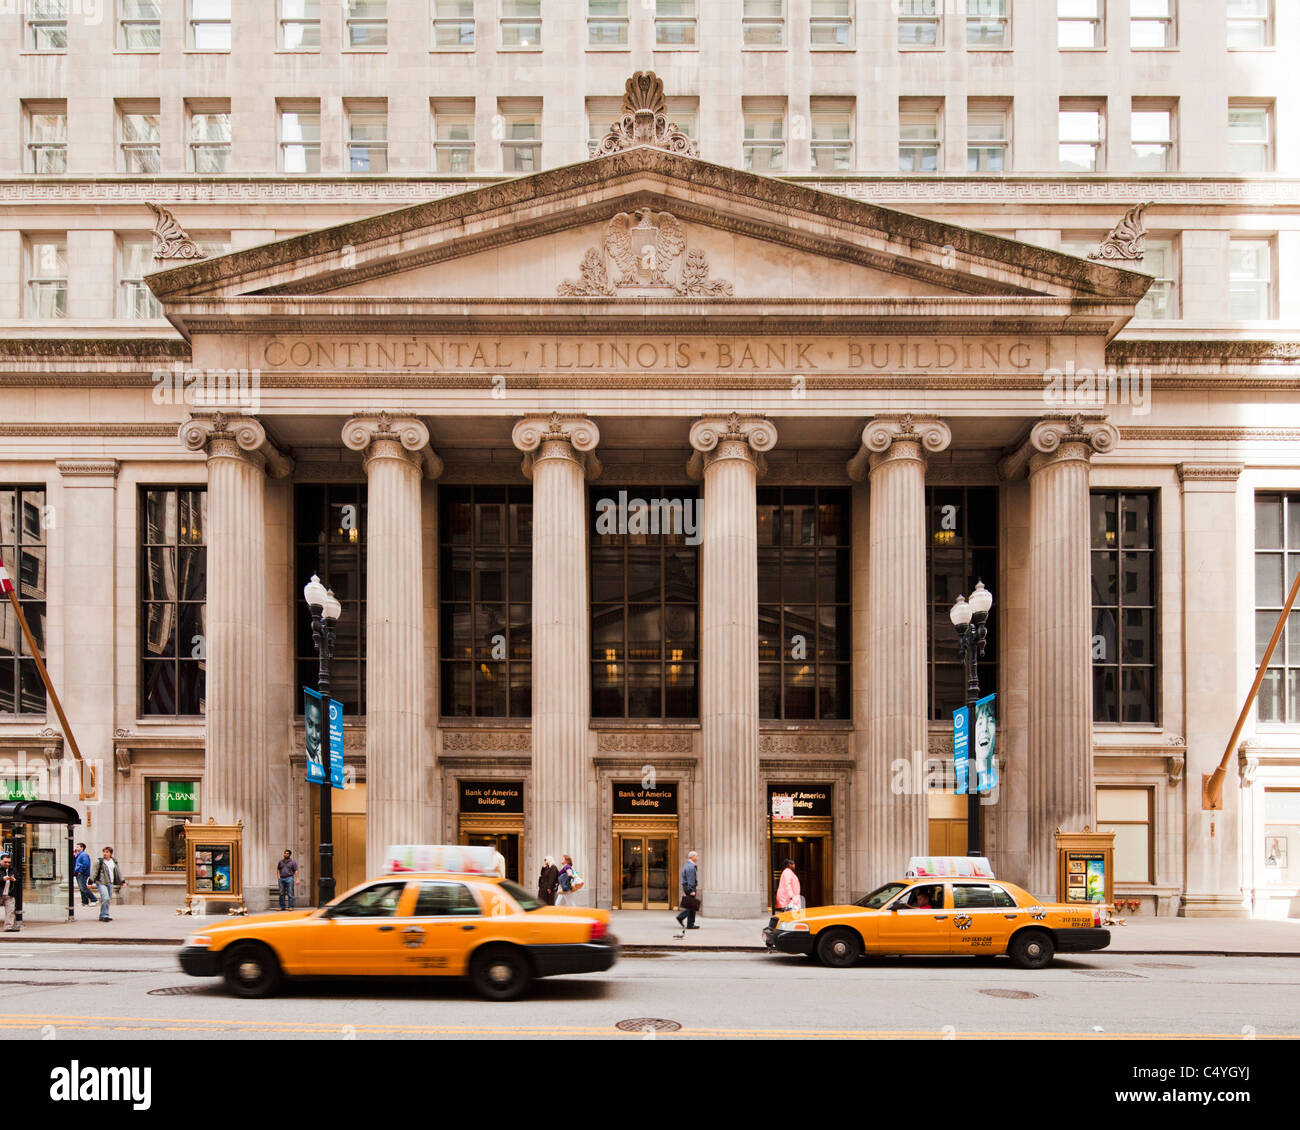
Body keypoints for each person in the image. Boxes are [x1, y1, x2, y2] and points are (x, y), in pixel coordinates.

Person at [89, 846, 124, 922]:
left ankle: (104, 915)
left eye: (107, 852)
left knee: (107, 899)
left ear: (111, 853)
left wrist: (123, 881)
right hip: (101, 882)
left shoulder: (114, 861)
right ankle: (104, 915)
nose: (105, 853)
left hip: (110, 883)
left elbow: (118, 872)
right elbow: (94, 872)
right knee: (105, 898)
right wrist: (90, 882)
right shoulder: (99, 861)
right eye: (104, 852)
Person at [676, 850, 700, 930]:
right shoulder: (691, 866)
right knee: (692, 906)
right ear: (692, 857)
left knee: (691, 905)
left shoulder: (688, 865)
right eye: (696, 856)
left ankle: (690, 924)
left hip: (687, 887)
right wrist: (692, 890)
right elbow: (691, 880)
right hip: (690, 887)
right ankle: (681, 917)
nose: (697, 857)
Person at [74, 842, 96, 907]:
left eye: (78, 847)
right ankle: (84, 902)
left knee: (83, 888)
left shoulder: (84, 855)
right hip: (79, 873)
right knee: (81, 888)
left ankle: (94, 899)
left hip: (82, 873)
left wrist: (81, 871)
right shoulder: (79, 855)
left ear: (82, 848)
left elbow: (86, 864)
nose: (76, 848)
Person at [0, 853, 19, 932]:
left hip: (9, 893)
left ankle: (8, 927)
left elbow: (18, 879)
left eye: (9, 862)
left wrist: (15, 880)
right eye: (5, 862)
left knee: (10, 911)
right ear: (1, 861)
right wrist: (2, 879)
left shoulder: (13, 869)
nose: (7, 864)